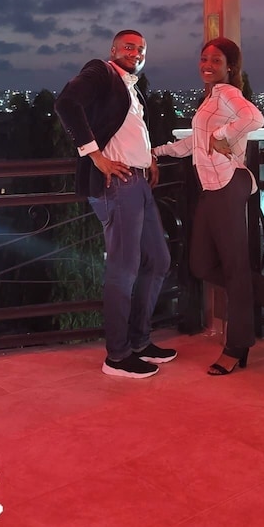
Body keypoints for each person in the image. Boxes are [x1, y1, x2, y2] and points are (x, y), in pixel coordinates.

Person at [154, 37, 264, 376]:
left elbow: (254, 117)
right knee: (201, 265)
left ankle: (236, 346)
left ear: (230, 66)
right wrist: (156, 153)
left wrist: (223, 136)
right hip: (212, 188)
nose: (207, 65)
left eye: (216, 60)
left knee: (234, 269)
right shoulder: (210, 98)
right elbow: (194, 142)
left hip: (228, 184)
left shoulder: (227, 93)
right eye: (204, 59)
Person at [54, 29, 175, 379]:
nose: (135, 53)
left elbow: (127, 130)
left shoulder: (130, 87)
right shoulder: (101, 71)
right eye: (129, 46)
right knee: (124, 269)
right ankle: (118, 356)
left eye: (141, 49)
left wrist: (149, 158)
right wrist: (96, 157)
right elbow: (66, 104)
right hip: (117, 184)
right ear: (113, 49)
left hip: (139, 181)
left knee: (158, 260)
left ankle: (139, 342)